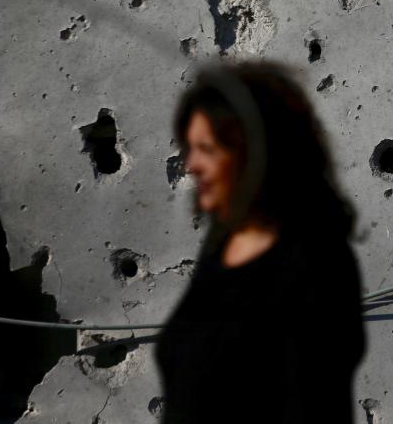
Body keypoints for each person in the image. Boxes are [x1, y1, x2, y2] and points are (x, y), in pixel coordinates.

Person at [154, 58, 366, 423]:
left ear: (255, 153)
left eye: (207, 149)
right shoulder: (220, 250)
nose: (192, 165)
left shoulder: (314, 264)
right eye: (191, 148)